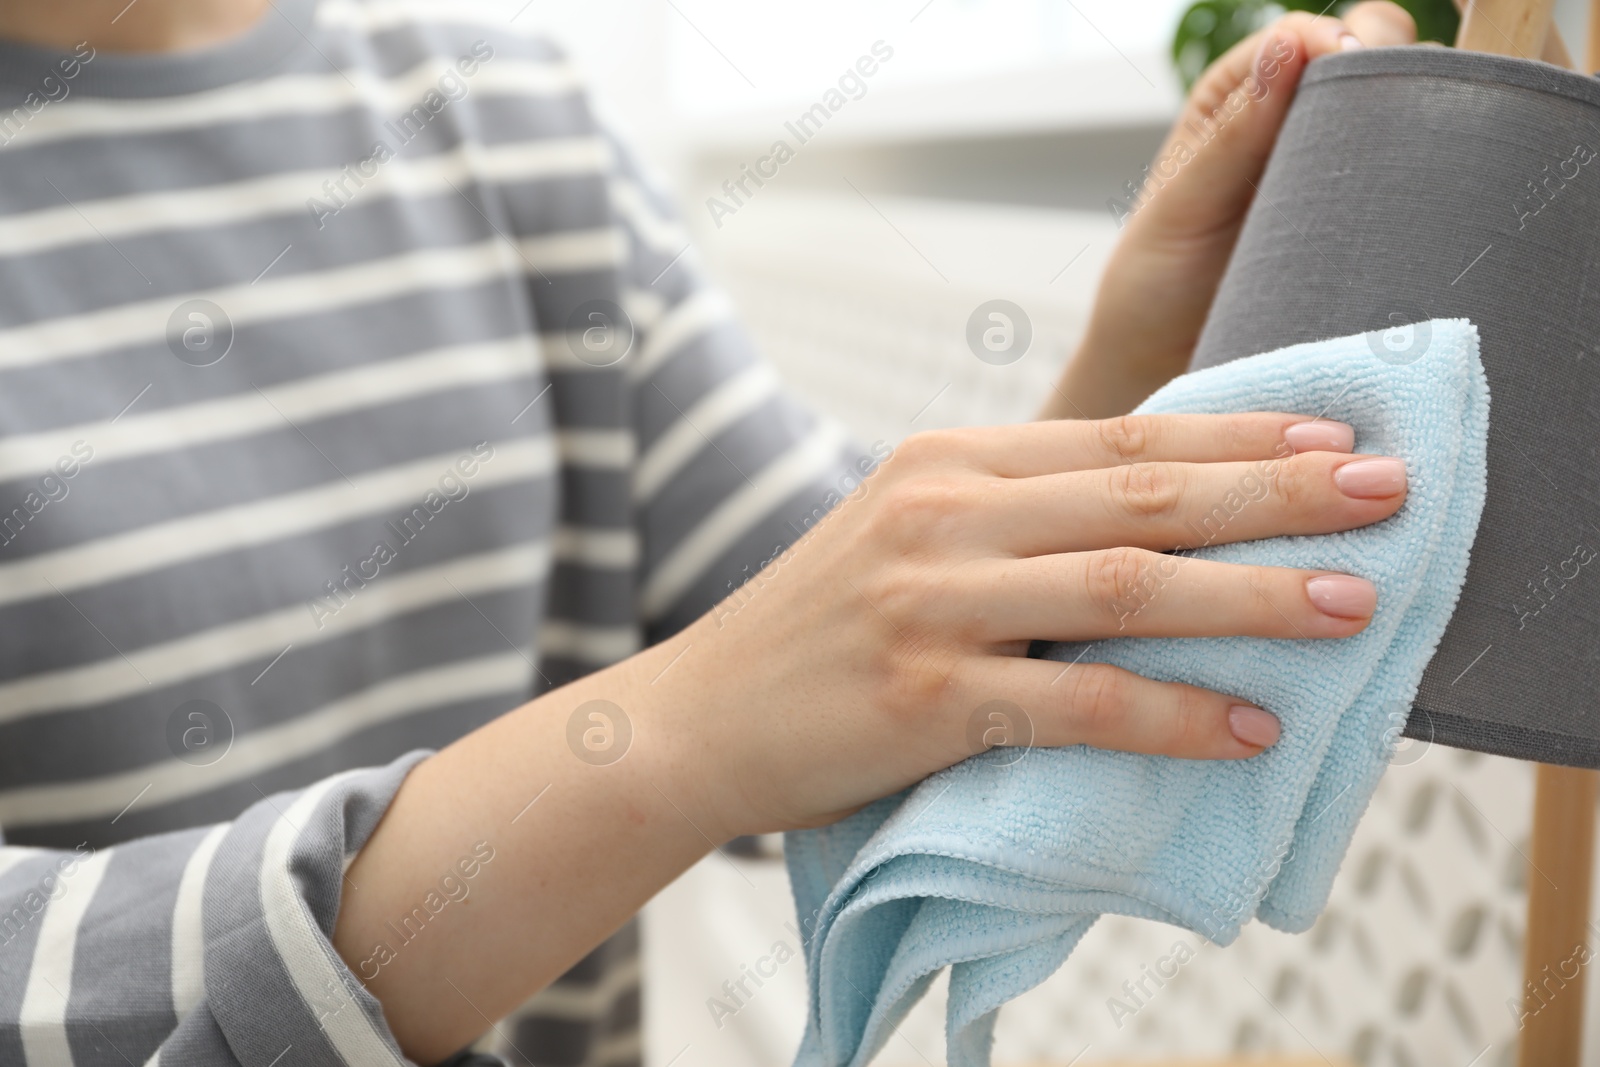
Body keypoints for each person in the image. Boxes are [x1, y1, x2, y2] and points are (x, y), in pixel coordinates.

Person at [0, 1, 1419, 1064]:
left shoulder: (493, 114)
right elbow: (742, 690)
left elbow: (834, 659)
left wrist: (1143, 351)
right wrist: (668, 743)